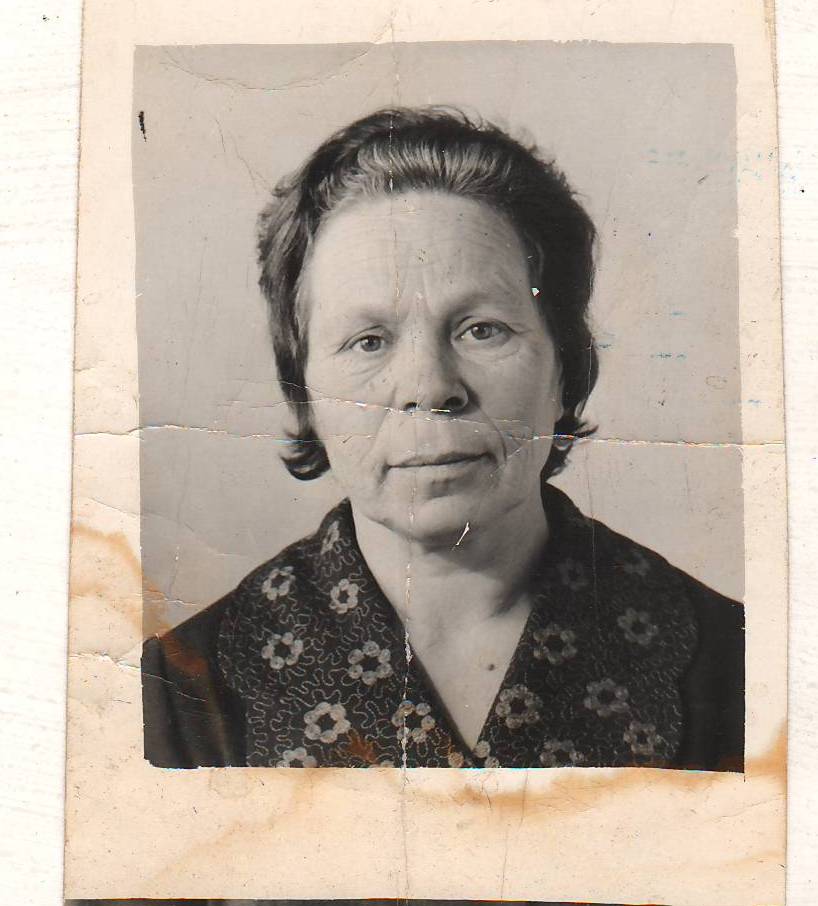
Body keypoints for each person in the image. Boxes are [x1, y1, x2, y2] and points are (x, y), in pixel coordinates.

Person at [142, 107, 744, 770]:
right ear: (304, 387)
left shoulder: (739, 665)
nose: (430, 386)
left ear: (565, 366)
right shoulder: (178, 696)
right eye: (368, 341)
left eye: (482, 329)